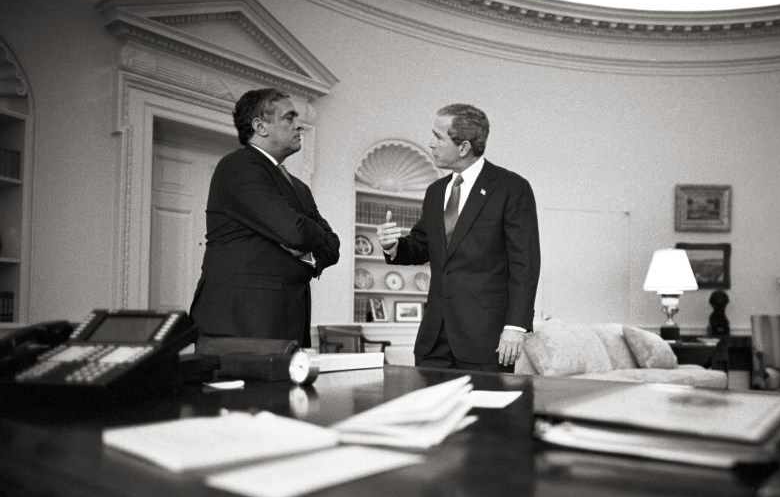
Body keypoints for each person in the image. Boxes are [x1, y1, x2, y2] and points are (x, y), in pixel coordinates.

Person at [376, 104, 540, 371]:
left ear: (463, 147)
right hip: (433, 341)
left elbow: (526, 265)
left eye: (439, 137)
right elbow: (423, 245)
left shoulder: (512, 188)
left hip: (485, 341)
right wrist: (394, 246)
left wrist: (515, 326)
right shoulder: (435, 191)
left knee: (484, 413)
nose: (431, 144)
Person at [190, 88, 339, 347]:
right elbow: (296, 231)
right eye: (289, 117)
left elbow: (333, 247)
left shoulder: (299, 187)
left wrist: (307, 256)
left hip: (287, 323)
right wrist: (316, 234)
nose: (299, 125)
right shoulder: (238, 166)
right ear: (260, 126)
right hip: (240, 325)